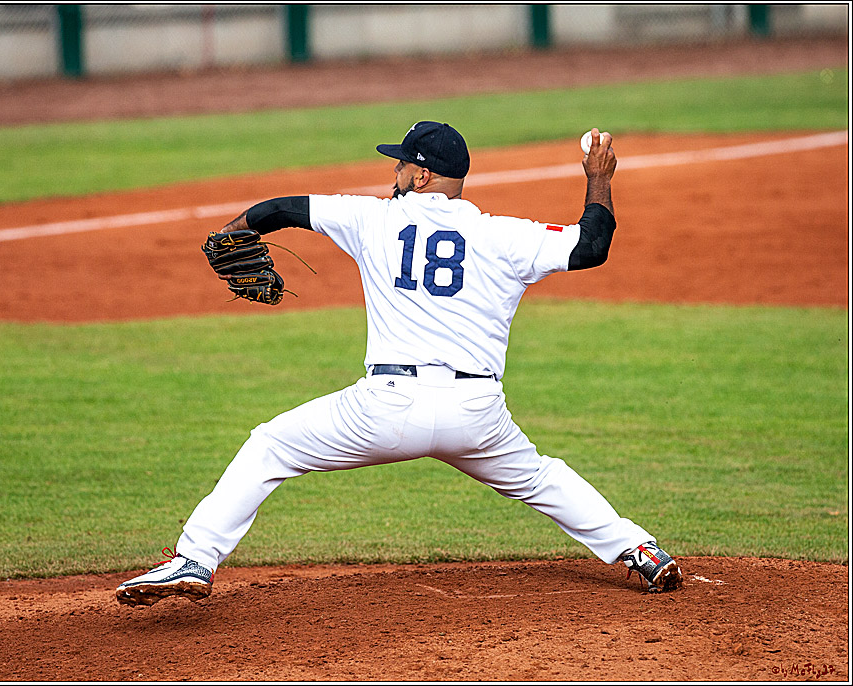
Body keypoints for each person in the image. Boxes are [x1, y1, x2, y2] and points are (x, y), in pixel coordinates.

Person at [115, 121, 683, 607]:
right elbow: (591, 246)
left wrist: (235, 233)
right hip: (477, 414)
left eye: (401, 166)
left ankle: (195, 559)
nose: (395, 175)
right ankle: (638, 549)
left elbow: (280, 210)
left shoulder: (371, 219)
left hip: (385, 410)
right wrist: (599, 178)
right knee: (539, 476)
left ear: (423, 176)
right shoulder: (504, 235)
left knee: (270, 446)